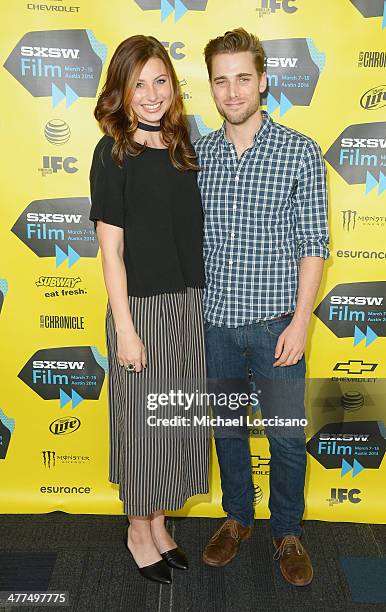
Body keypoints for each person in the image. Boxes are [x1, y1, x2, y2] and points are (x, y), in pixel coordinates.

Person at [194, 28, 329, 586]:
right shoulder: (197, 155)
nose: (232, 91)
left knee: (285, 436)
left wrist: (301, 322)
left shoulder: (299, 151)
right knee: (227, 431)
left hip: (279, 326)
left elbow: (313, 243)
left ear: (264, 81)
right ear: (211, 87)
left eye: (243, 78)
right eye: (221, 80)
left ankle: (288, 530)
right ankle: (238, 518)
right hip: (218, 326)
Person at [89, 35, 209, 584]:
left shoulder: (183, 143)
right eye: (139, 83)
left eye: (161, 80)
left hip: (187, 306)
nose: (153, 93)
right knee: (141, 429)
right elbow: (110, 250)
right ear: (121, 89)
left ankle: (159, 523)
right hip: (139, 313)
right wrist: (127, 331)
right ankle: (138, 530)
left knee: (174, 425)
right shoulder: (112, 152)